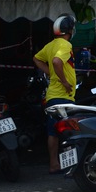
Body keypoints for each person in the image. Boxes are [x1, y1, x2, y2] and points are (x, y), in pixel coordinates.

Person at [33, 14, 77, 174]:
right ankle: (71, 164)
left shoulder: (50, 45)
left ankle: (54, 164)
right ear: (70, 30)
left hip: (52, 97)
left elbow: (37, 59)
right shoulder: (65, 45)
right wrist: (64, 82)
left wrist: (51, 74)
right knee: (70, 131)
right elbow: (57, 62)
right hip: (64, 96)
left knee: (53, 131)